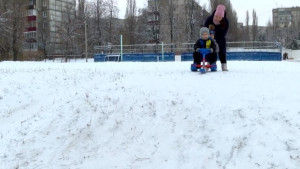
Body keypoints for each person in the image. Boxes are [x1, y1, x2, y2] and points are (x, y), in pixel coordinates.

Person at [205, 4, 229, 71]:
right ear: (214, 14)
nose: (217, 18)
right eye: (216, 16)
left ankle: (223, 64)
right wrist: (209, 36)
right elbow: (205, 29)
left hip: (220, 38)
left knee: (222, 51)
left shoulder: (225, 22)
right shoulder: (209, 19)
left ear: (222, 17)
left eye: (219, 17)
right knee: (210, 50)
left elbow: (223, 33)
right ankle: (209, 63)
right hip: (210, 38)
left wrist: (215, 38)